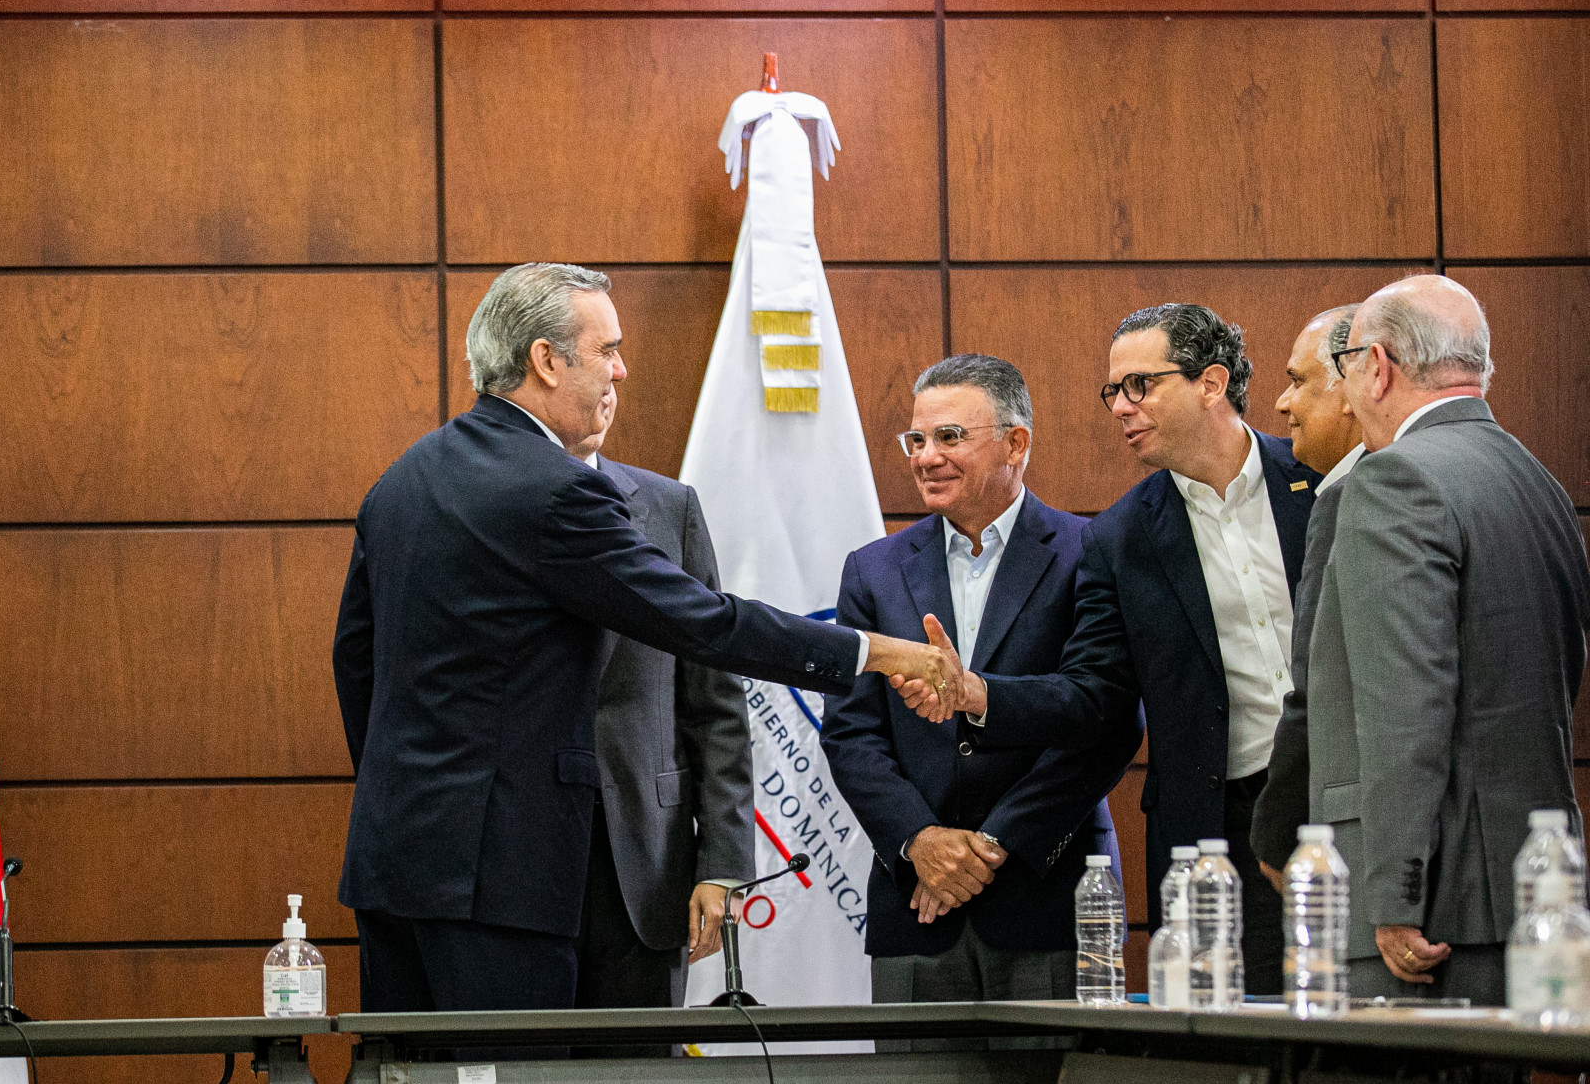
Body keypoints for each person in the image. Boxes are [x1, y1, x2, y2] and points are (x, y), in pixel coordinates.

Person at [332, 262, 957, 1016]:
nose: (621, 369)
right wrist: (878, 651)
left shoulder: (400, 481)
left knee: (411, 1068)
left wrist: (413, 789)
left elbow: (356, 664)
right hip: (505, 881)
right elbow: (704, 622)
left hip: (396, 864)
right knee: (517, 1071)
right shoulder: (555, 487)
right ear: (546, 359)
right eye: (607, 349)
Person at [912, 304, 1323, 993]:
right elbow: (1093, 696)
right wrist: (979, 693)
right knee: (1234, 1034)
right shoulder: (1121, 536)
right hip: (1220, 829)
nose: (1121, 407)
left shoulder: (1318, 481)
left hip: (1339, 797)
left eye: (1140, 385)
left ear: (1211, 383)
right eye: (1113, 391)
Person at [821, 355, 1141, 1029]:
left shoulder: (1092, 551)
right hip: (917, 904)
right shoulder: (872, 571)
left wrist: (992, 845)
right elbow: (851, 733)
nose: (926, 457)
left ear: (1015, 443)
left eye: (950, 437)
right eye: (917, 439)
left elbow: (1107, 720)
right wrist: (920, 840)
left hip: (1048, 892)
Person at [1309, 274, 1589, 1003]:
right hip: (1535, 888)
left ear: (1378, 366)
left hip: (1430, 907)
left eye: (1346, 366)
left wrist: (1394, 893)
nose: (1346, 394)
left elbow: (1405, 709)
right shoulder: (1538, 482)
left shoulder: (1393, 479)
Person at [565, 392, 750, 1028]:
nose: (612, 384)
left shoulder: (671, 508)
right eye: (599, 358)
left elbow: (715, 703)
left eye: (617, 363)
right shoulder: (490, 509)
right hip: (519, 869)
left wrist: (724, 864)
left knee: (642, 1065)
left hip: (647, 861)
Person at [1252, 305, 1364, 882]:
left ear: (1350, 388)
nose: (1281, 402)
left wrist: (1275, 834)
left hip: (1352, 833)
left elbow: (1321, 683)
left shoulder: (1352, 496)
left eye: (1298, 380)